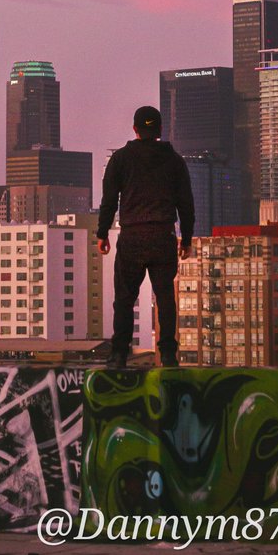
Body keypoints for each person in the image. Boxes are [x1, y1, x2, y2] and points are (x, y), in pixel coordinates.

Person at [97, 105, 195, 368]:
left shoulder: (120, 159)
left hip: (132, 236)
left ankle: (119, 354)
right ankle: (169, 355)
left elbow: (109, 201)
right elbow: (186, 204)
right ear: (160, 130)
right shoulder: (175, 161)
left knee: (125, 299)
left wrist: (102, 233)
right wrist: (186, 239)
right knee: (165, 298)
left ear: (135, 129)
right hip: (162, 235)